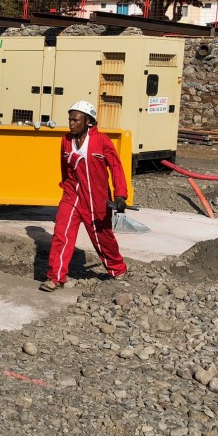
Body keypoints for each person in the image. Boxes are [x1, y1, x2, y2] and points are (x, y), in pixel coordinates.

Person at [40, 100, 128, 292]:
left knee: (101, 238)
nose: (71, 123)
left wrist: (120, 195)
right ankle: (55, 278)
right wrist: (66, 190)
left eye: (75, 120)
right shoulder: (65, 140)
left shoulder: (102, 141)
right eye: (70, 119)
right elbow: (65, 169)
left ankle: (118, 269)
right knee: (61, 234)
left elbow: (116, 167)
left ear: (88, 121)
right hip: (72, 195)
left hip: (97, 199)